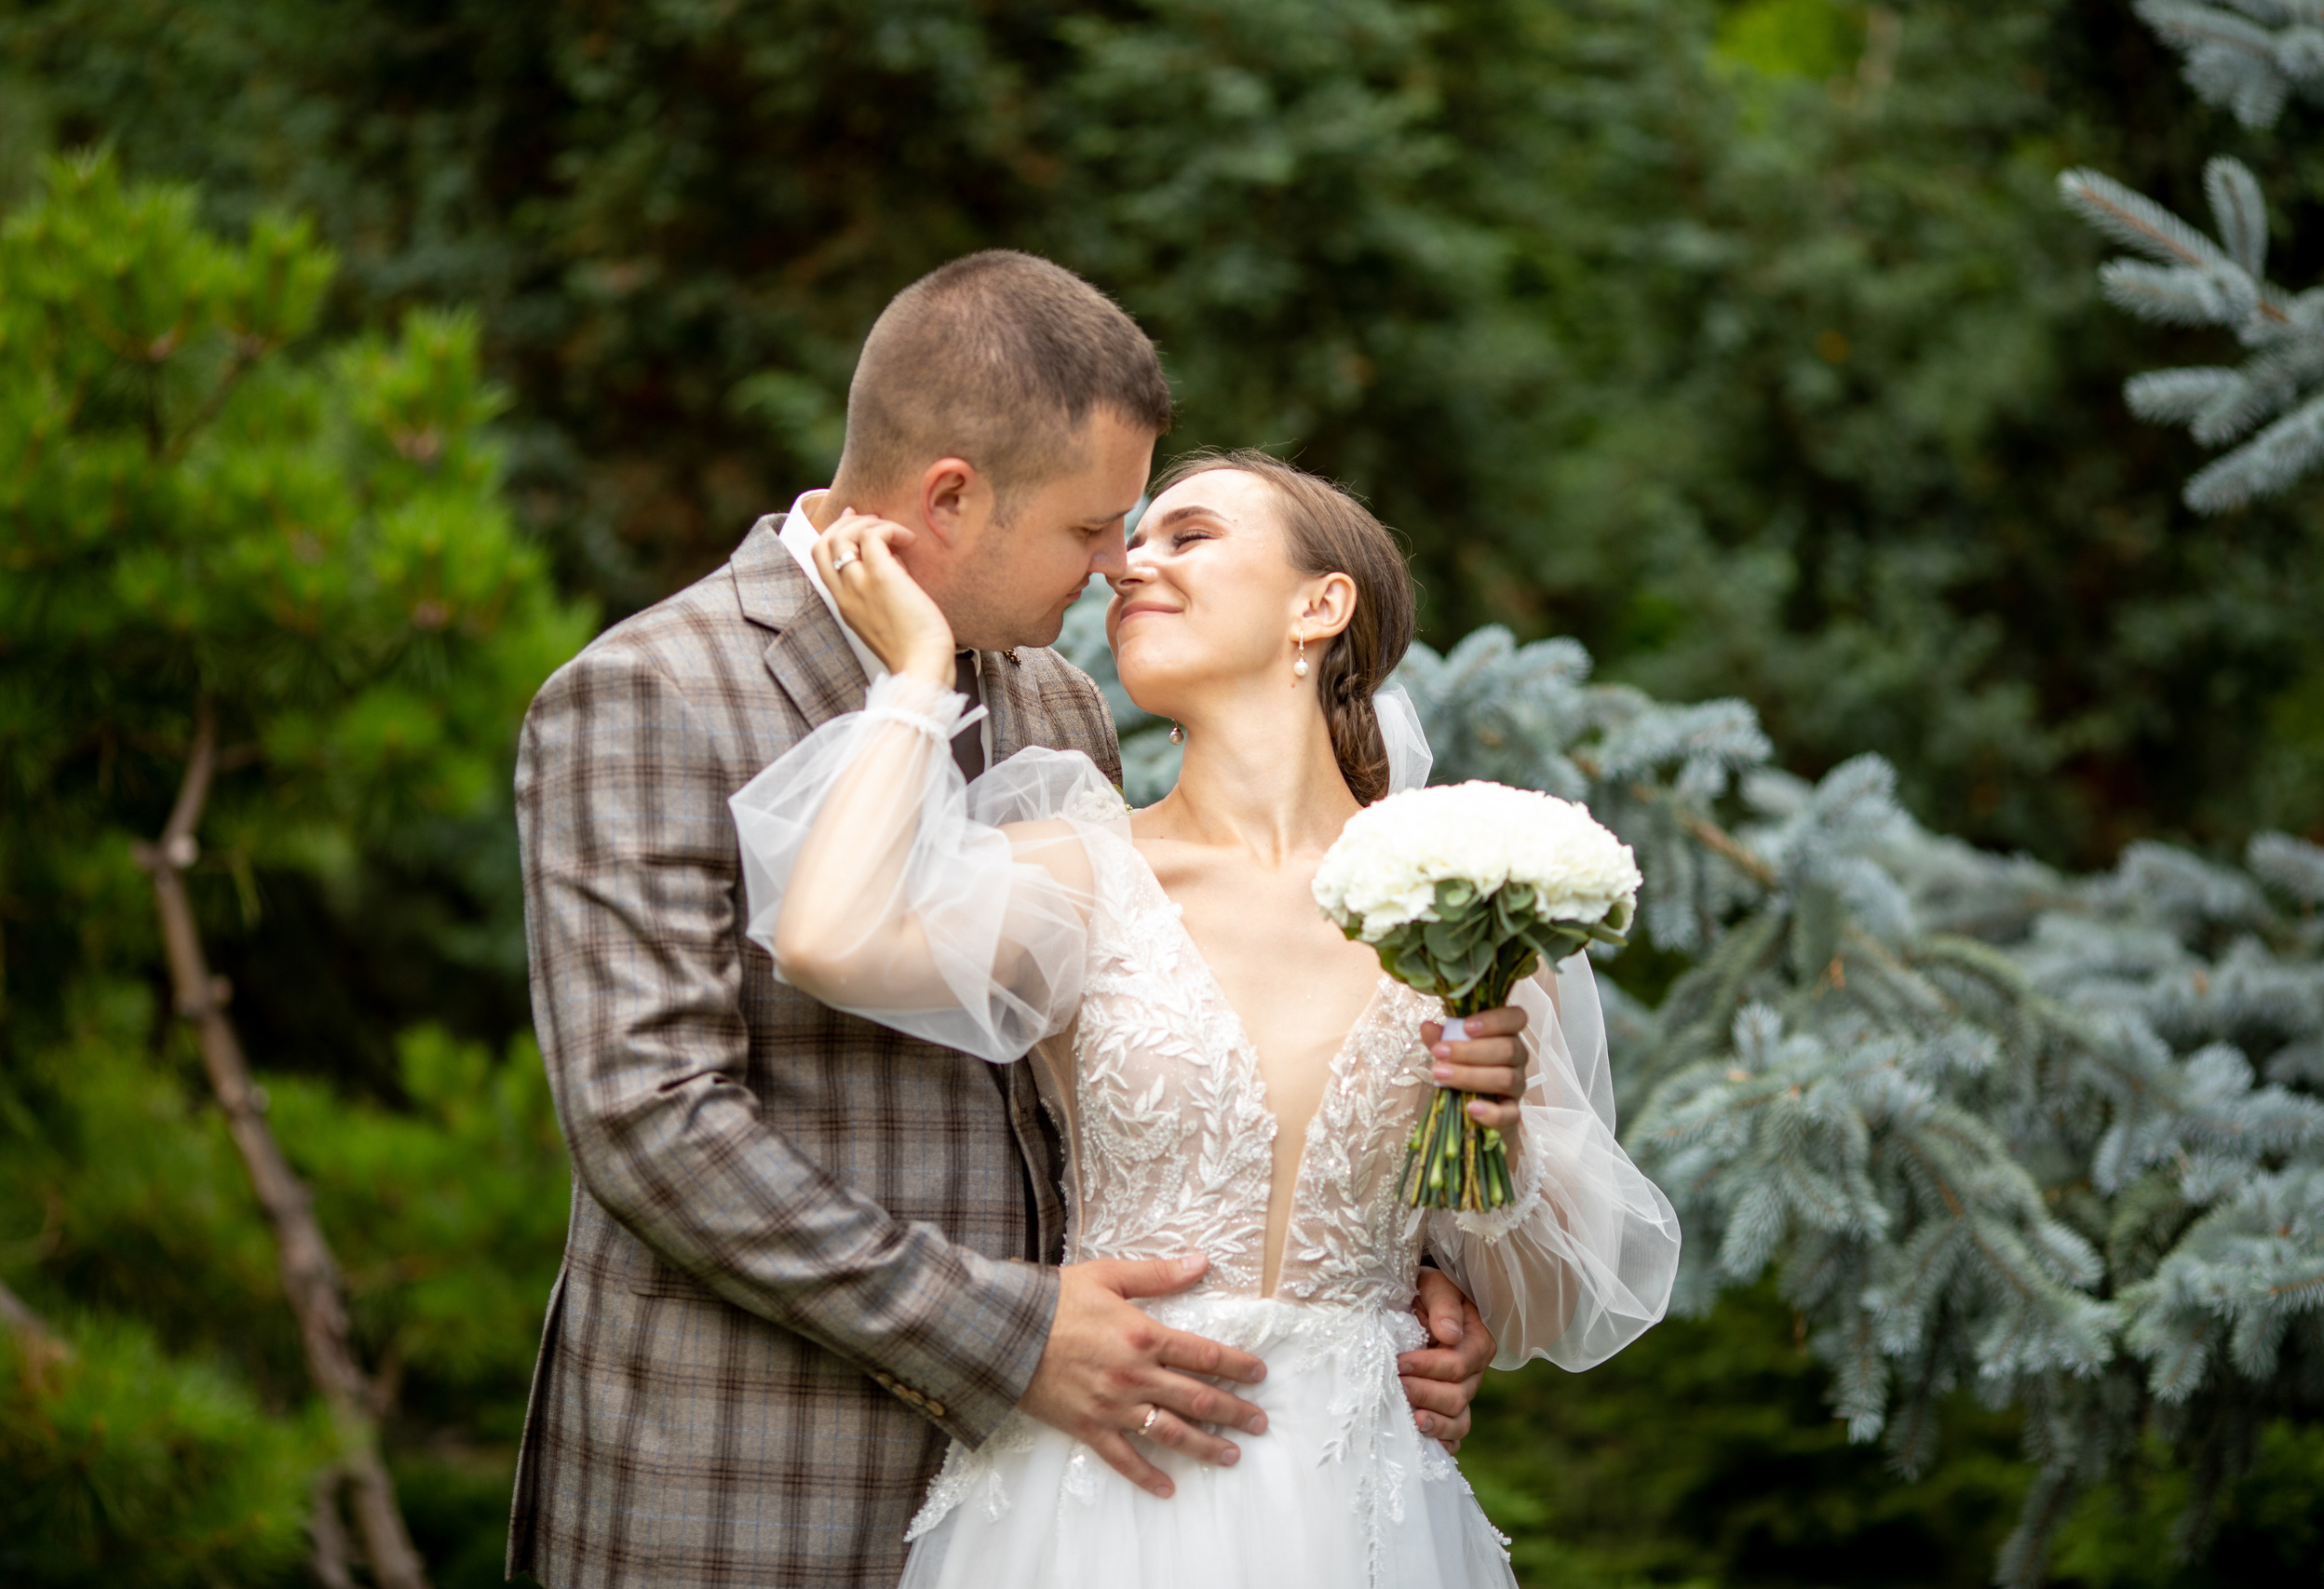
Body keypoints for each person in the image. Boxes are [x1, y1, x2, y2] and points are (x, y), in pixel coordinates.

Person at [507, 253, 1521, 1589]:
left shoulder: (1056, 704)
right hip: (757, 1470)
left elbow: (1162, 1047)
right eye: (1094, 525)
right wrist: (1012, 1333)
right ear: (951, 497)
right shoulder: (651, 693)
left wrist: (1410, 1268)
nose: (1118, 565)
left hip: (1090, 1471)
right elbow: (654, 1121)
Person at [730, 449, 1681, 1588]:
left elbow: (1545, 1301)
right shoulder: (1082, 871)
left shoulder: (1462, 911)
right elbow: (826, 936)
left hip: (1369, 1515)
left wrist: (1503, 1128)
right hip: (1103, 1503)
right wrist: (916, 679)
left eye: (1189, 536)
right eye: (1134, 541)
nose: (1132, 565)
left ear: (1320, 606)